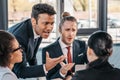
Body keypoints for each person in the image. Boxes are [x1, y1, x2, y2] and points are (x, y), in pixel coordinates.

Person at [8, 3, 65, 78]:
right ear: (34, 21)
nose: (49, 28)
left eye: (52, 23)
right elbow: (20, 71)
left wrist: (40, 77)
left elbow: (32, 57)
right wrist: (46, 67)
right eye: (46, 23)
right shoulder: (20, 38)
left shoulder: (39, 29)